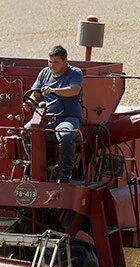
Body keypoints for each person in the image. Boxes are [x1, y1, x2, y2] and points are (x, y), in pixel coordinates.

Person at [23, 45, 84, 183]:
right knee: (25, 132)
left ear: (65, 61)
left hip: (68, 118)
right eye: (49, 61)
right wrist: (29, 103)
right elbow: (35, 94)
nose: (52, 65)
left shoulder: (75, 73)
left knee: (66, 135)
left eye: (56, 62)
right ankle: (36, 168)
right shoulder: (44, 73)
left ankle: (65, 175)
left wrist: (54, 90)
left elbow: (74, 90)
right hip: (47, 117)